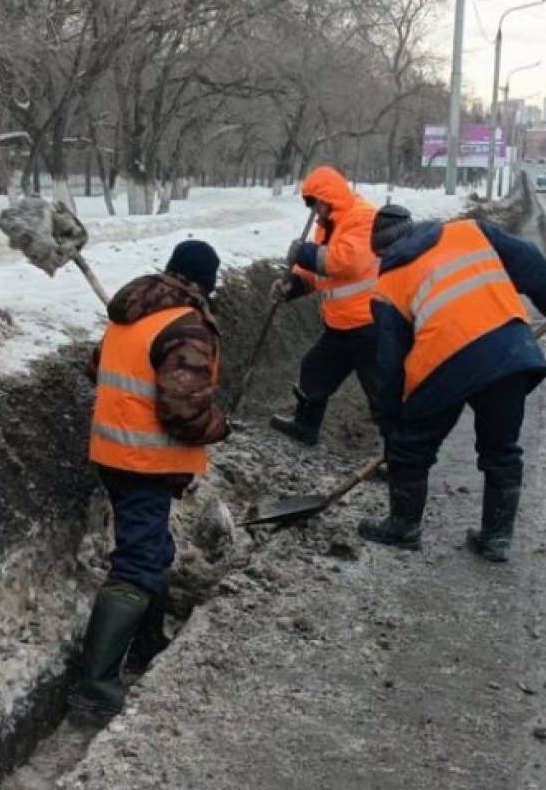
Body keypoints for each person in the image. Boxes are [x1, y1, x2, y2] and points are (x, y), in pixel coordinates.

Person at [359, 206, 546, 563]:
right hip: (509, 350)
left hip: (443, 366)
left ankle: (404, 526)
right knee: (501, 448)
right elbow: (531, 262)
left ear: (381, 251)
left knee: (412, 448)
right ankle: (497, 538)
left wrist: (392, 424)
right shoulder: (469, 231)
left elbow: (389, 365)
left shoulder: (387, 287)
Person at [68, 240, 230, 718]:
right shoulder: (185, 327)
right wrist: (218, 425)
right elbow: (183, 410)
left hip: (112, 452)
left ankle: (146, 645)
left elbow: (96, 366)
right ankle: (93, 690)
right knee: (139, 560)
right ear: (204, 281)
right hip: (145, 461)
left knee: (153, 548)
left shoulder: (133, 312)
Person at [269, 165, 379, 445]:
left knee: (381, 390)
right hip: (340, 324)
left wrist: (304, 253)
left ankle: (399, 457)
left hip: (370, 324)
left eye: (316, 205)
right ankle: (305, 427)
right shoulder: (325, 226)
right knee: (314, 370)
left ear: (329, 199)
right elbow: (318, 274)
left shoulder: (363, 218)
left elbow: (345, 262)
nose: (315, 212)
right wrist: (292, 285)